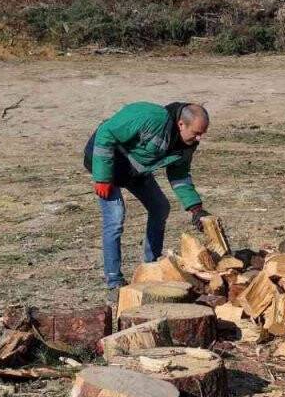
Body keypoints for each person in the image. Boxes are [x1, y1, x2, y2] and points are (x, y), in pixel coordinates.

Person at [84, 101, 210, 297]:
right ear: (181, 124)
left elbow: (179, 175)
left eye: (202, 133)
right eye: (196, 132)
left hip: (134, 171)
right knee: (115, 218)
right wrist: (102, 177)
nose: (199, 137)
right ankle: (114, 281)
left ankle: (152, 267)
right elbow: (106, 133)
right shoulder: (151, 118)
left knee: (160, 208)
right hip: (106, 163)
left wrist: (196, 209)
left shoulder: (188, 143)